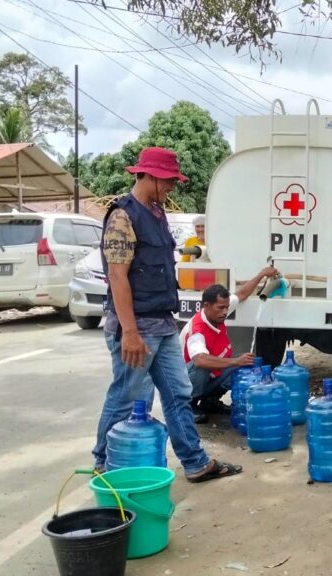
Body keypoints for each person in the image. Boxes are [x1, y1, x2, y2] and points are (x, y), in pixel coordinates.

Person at [92, 146, 241, 483]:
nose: (172, 186)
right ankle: (103, 463)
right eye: (169, 180)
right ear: (150, 176)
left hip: (161, 321)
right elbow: (118, 276)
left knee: (179, 391)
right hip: (136, 325)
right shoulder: (122, 216)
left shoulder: (157, 213)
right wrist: (129, 331)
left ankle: (194, 462)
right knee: (126, 395)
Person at [182, 269, 279, 424]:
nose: (225, 312)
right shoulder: (198, 330)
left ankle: (210, 401)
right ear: (206, 305)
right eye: (221, 308)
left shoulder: (217, 312)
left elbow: (241, 294)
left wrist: (261, 275)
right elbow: (199, 360)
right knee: (203, 366)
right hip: (186, 380)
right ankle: (188, 405)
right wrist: (235, 361)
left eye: (227, 307)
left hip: (209, 375)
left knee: (243, 362)